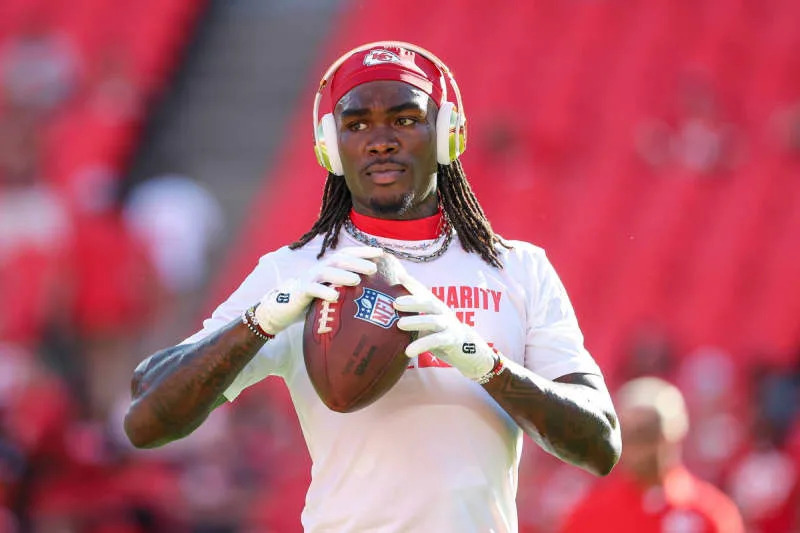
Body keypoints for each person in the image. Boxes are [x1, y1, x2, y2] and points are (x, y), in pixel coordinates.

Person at [124, 41, 621, 532]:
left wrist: (480, 359)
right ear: (331, 146)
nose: (380, 140)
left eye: (405, 119)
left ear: (447, 133)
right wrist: (265, 317)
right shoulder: (296, 272)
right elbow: (147, 417)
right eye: (357, 124)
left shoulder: (518, 267)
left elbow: (600, 444)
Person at [560, 376, 744, 533]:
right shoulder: (590, 515)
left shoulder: (711, 512)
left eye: (648, 431)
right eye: (628, 434)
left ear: (676, 431)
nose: (639, 445)